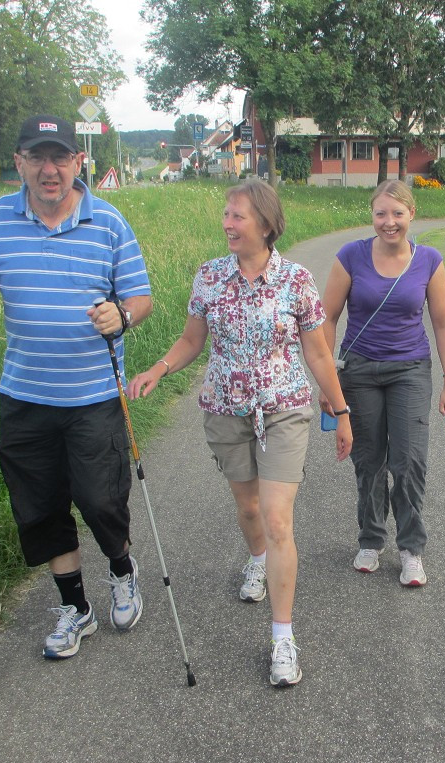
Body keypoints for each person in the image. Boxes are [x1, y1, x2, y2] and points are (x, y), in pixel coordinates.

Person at [0, 114, 152, 660]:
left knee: (102, 500)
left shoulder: (107, 221)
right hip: (26, 395)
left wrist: (120, 317)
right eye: (38, 157)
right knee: (39, 507)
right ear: (20, 163)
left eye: (60, 158)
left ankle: (122, 570)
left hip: (95, 396)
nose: (50, 169)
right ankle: (74, 609)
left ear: (78, 162)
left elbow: (141, 299)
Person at [128, 178, 352, 688]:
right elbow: (191, 341)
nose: (228, 224)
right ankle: (256, 562)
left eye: (238, 216)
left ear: (267, 224)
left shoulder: (296, 280)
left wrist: (341, 412)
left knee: (277, 520)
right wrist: (159, 370)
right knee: (249, 510)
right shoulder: (208, 277)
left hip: (284, 409)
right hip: (226, 408)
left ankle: (282, 638)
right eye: (226, 215)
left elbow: (317, 352)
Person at [320, 180, 445, 587]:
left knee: (409, 461)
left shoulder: (429, 260)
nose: (389, 222)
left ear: (411, 214)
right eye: (381, 213)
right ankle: (370, 539)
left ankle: (411, 549)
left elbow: (443, 323)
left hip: (410, 370)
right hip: (359, 370)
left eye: (397, 214)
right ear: (372, 215)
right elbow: (327, 318)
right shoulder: (350, 256)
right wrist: (329, 381)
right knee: (368, 462)